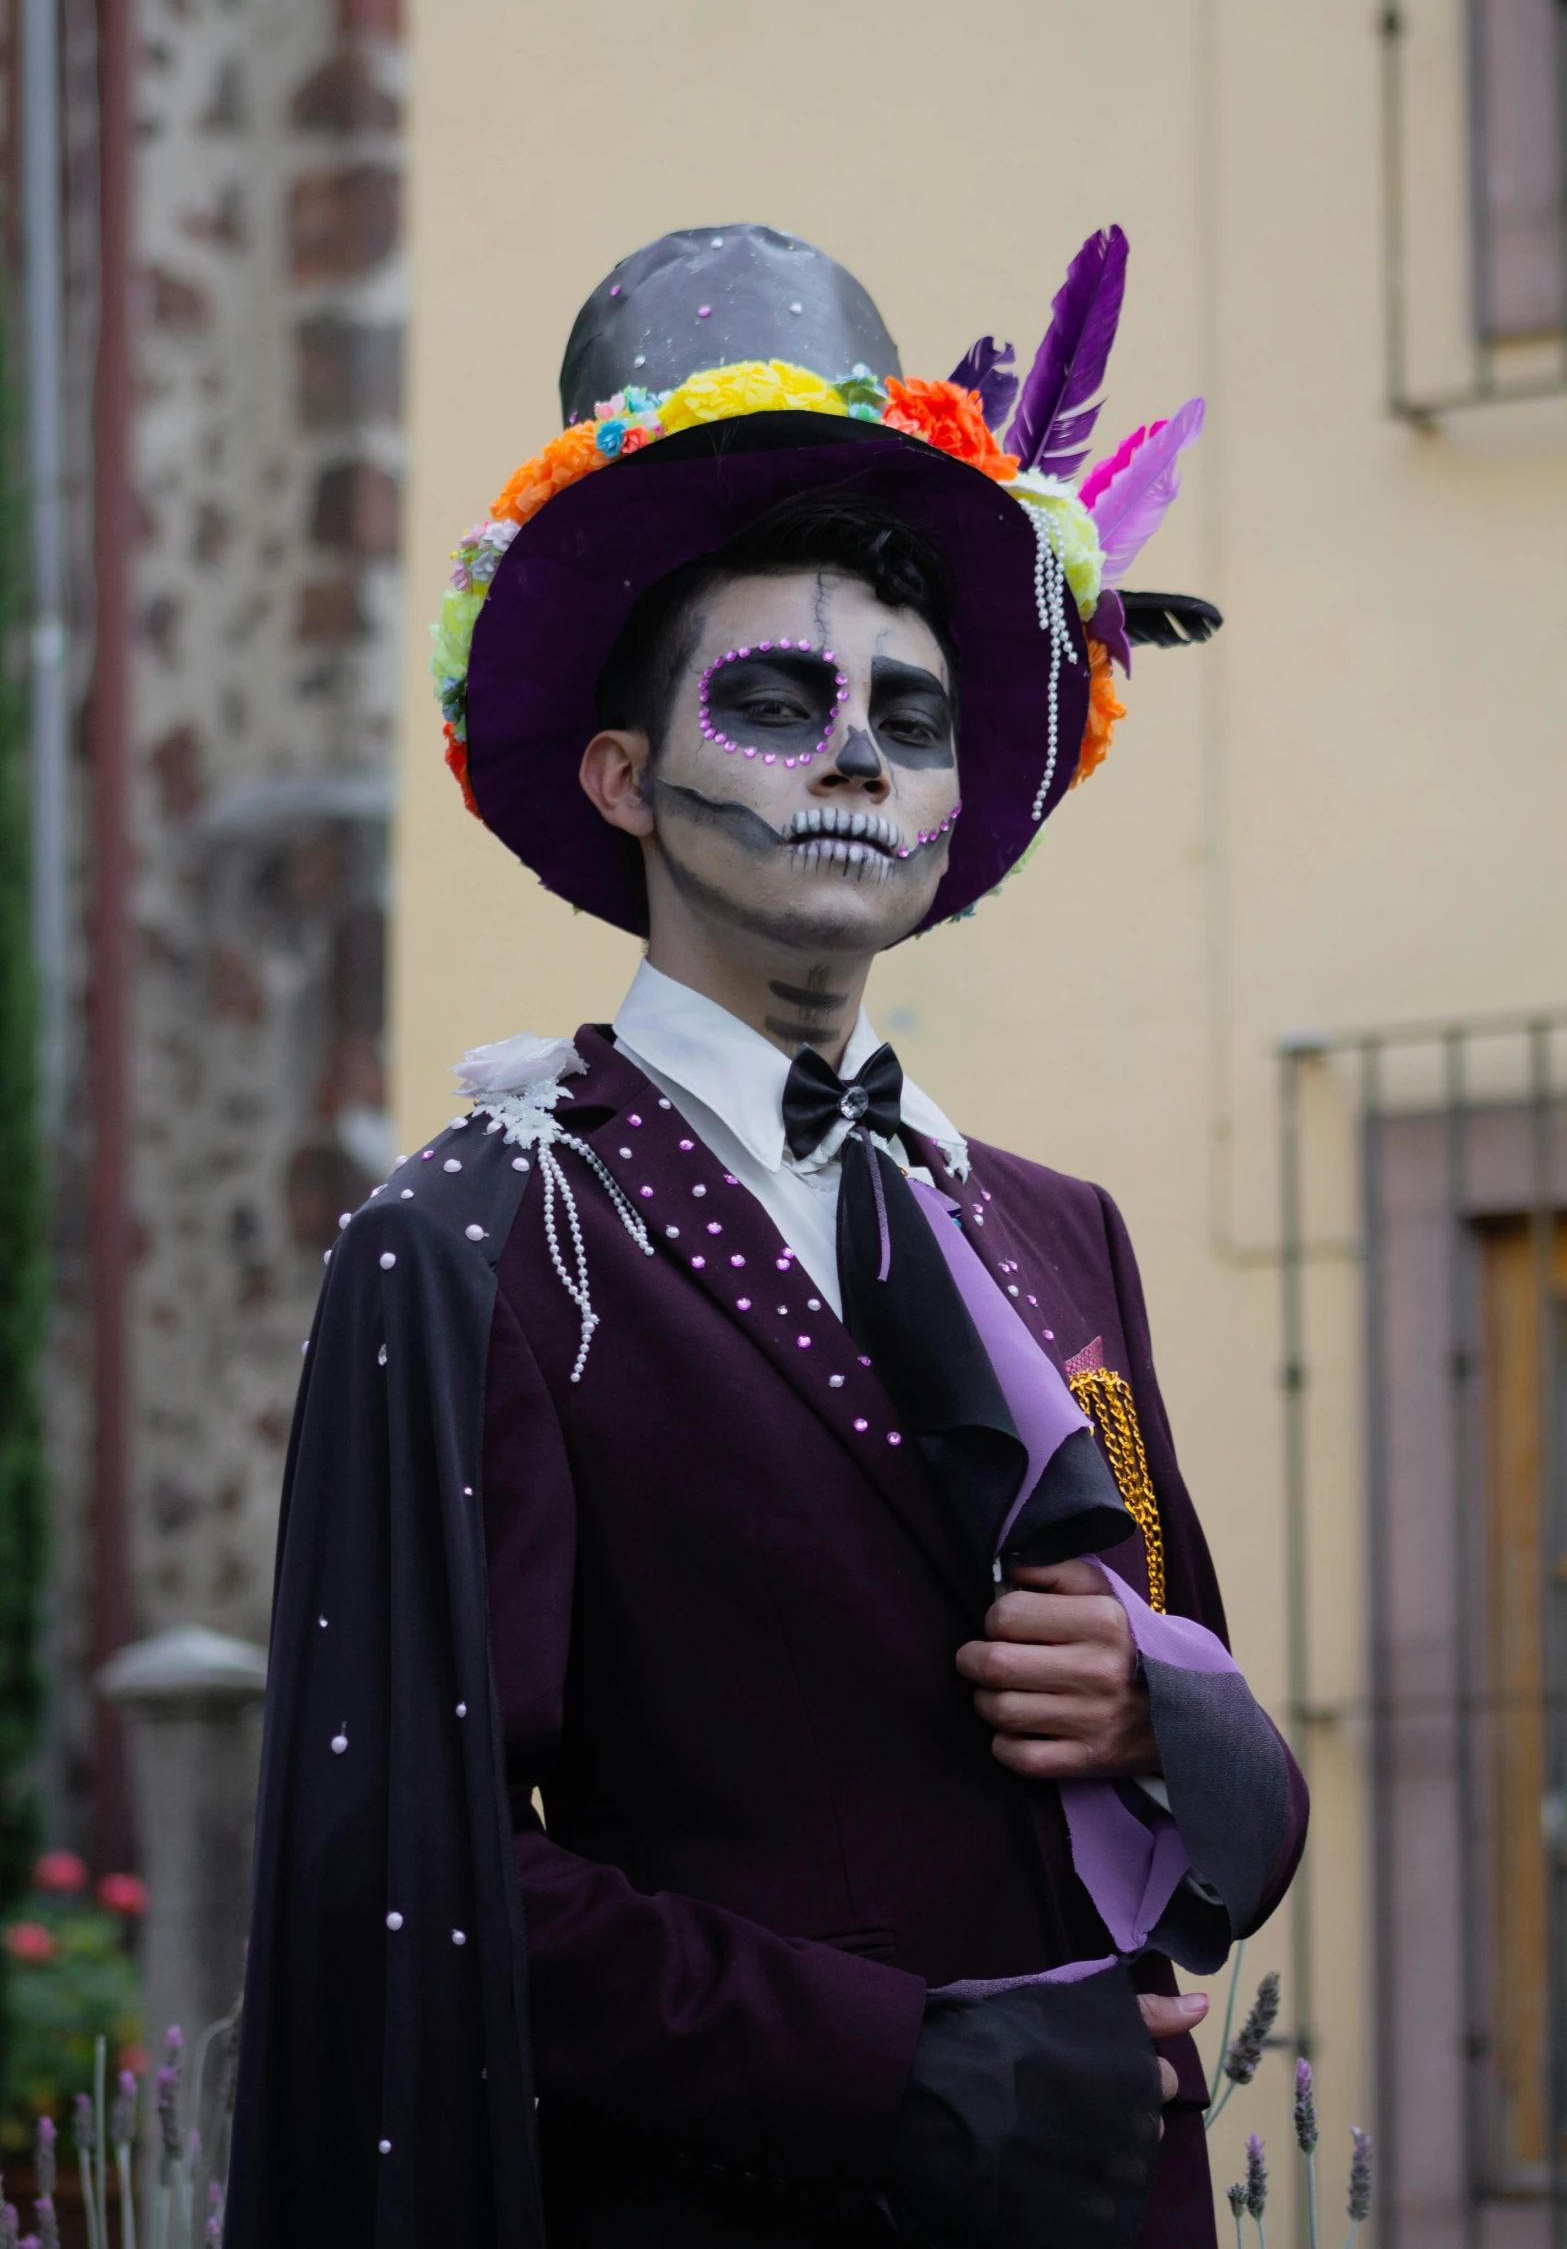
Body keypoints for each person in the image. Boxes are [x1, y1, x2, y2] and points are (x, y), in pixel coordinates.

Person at [226, 224, 1306, 2249]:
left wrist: (1183, 1705)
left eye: (910, 707)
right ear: (624, 773)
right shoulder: (476, 1239)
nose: (862, 753)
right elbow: (419, 1875)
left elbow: (1221, 1817)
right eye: (785, 694)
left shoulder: (1064, 1233)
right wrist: (892, 2063)